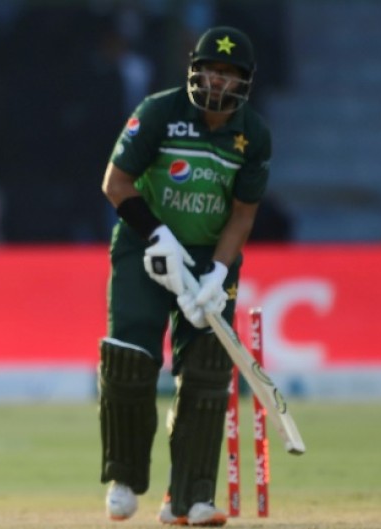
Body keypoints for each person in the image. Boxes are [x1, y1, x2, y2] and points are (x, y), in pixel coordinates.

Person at [97, 26, 270, 527]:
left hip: (209, 254)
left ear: (245, 82)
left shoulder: (252, 134)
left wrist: (217, 272)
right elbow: (116, 183)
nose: (218, 81)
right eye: (212, 68)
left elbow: (242, 214)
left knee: (209, 371)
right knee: (131, 356)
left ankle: (190, 496)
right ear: (194, 70)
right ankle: (125, 477)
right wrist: (157, 235)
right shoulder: (159, 111)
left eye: (230, 73)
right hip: (144, 246)